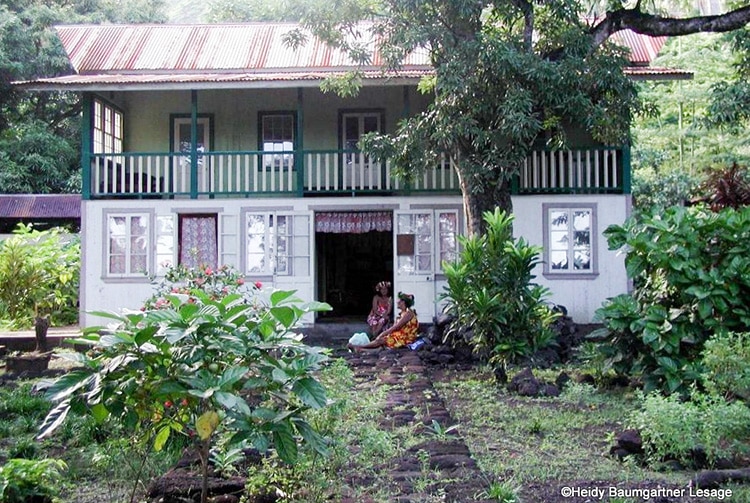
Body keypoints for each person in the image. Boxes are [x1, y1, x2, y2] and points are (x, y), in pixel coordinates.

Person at [350, 292, 419, 351]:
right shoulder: (402, 313)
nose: (397, 302)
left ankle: (360, 347)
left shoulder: (408, 313)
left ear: (403, 302)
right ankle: (363, 348)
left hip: (406, 337)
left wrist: (382, 334)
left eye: (399, 301)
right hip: (400, 335)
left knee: (382, 340)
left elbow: (396, 327)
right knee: (381, 342)